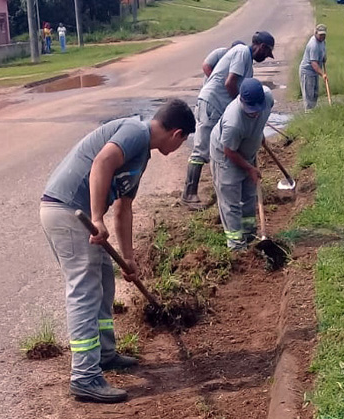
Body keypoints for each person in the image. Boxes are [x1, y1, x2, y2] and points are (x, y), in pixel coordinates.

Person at [40, 100, 196, 403]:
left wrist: (128, 258)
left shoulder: (142, 155)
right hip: (68, 211)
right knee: (84, 291)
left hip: (80, 214)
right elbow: (101, 163)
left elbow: (124, 208)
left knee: (104, 284)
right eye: (184, 141)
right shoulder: (135, 131)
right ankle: (85, 376)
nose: (182, 146)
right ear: (177, 135)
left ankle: (105, 354)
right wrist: (97, 218)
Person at [181, 31, 275, 211]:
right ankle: (188, 194)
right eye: (267, 52)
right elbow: (229, 83)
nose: (266, 57)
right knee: (202, 149)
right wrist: (238, 110)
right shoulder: (241, 52)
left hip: (220, 107)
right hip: (212, 104)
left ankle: (222, 191)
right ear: (261, 47)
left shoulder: (248, 63)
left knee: (221, 145)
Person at [209, 78, 274, 250]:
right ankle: (236, 245)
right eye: (250, 110)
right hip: (226, 156)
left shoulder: (268, 99)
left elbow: (259, 121)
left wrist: (257, 136)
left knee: (249, 195)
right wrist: (250, 168)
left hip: (247, 152)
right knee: (231, 202)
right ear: (241, 100)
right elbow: (229, 151)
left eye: (256, 110)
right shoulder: (233, 121)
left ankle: (249, 234)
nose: (254, 113)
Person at [299, 24, 328, 112]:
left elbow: (322, 51)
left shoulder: (322, 41)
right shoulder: (313, 45)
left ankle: (313, 112)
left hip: (314, 72)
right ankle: (308, 114)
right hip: (307, 72)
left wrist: (324, 57)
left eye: (324, 35)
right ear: (315, 33)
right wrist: (323, 74)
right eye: (320, 35)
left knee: (315, 94)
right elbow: (314, 64)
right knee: (309, 96)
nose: (322, 36)